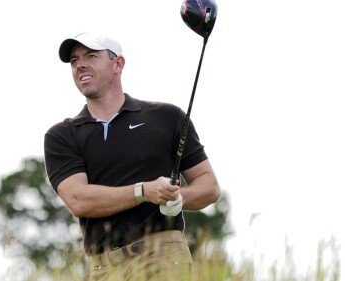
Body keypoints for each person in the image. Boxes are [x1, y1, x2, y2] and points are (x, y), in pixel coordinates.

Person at [44, 32, 220, 281]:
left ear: (118, 64)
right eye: (74, 60)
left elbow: (209, 186)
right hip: (103, 268)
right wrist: (143, 191)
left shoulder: (166, 117)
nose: (80, 64)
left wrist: (179, 198)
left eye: (91, 56)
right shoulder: (62, 136)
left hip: (162, 255)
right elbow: (79, 200)